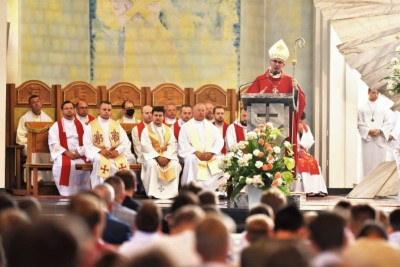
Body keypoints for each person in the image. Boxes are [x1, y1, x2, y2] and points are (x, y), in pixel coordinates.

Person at [247, 39, 306, 167]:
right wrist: (259, 96)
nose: (277, 64)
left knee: (281, 157)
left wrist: (296, 91)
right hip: (261, 125)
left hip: (283, 127)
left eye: (280, 62)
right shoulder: (260, 79)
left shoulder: (290, 81)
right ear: (270, 62)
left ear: (283, 65)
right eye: (275, 61)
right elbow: (248, 101)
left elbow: (300, 103)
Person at [83, 101, 136, 187]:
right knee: (98, 160)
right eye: (104, 109)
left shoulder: (116, 125)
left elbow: (125, 142)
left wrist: (118, 151)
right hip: (100, 154)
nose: (107, 111)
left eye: (109, 110)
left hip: (114, 153)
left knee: (124, 161)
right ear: (99, 110)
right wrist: (100, 151)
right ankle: (101, 189)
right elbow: (87, 144)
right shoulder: (91, 126)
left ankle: (120, 189)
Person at [48, 101, 91, 196]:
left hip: (80, 154)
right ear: (62, 111)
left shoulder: (82, 125)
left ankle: (83, 192)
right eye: (66, 108)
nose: (69, 110)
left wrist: (80, 152)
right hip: (64, 154)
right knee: (63, 165)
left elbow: (88, 141)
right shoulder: (56, 126)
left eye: (71, 108)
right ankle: (66, 193)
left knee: (89, 163)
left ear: (74, 110)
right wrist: (67, 152)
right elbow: (54, 143)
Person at [178, 103, 224, 191]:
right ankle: (192, 189)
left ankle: (217, 190)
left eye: (203, 110)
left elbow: (219, 141)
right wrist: (196, 152)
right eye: (198, 110)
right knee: (191, 159)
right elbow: (183, 143)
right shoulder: (186, 127)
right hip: (193, 154)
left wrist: (211, 152)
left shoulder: (211, 126)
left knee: (220, 160)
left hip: (209, 155)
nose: (201, 112)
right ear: (193, 112)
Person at [140, 106, 181, 199]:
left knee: (175, 165)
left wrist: (166, 157)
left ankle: (172, 193)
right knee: (152, 165)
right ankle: (153, 193)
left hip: (166, 157)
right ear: (152, 116)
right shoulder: (146, 130)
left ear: (163, 117)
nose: (158, 118)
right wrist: (158, 158)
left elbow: (172, 145)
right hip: (152, 157)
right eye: (155, 115)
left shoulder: (168, 130)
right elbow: (146, 147)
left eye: (160, 115)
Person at [358, 88, 393, 179]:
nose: (376, 95)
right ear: (368, 93)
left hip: (379, 139)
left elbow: (388, 122)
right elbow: (359, 123)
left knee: (379, 164)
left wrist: (380, 130)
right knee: (367, 162)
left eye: (377, 93)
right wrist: (369, 131)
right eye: (373, 92)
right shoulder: (362, 108)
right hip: (368, 140)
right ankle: (366, 186)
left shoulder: (383, 107)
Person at [297, 112, 328, 197]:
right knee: (302, 164)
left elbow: (310, 141)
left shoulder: (306, 127)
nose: (300, 122)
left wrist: (302, 132)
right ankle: (307, 190)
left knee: (314, 162)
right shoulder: (290, 126)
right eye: (299, 120)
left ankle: (317, 189)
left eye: (301, 120)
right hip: (293, 153)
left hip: (303, 153)